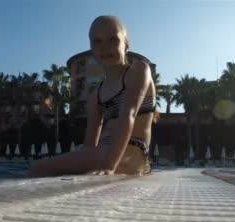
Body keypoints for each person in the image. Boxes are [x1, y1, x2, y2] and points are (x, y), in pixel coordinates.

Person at [31, 15, 156, 177]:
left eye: (113, 39)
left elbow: (128, 114)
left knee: (39, 168)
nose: (104, 47)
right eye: (97, 42)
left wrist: (109, 165)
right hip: (102, 155)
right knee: (43, 169)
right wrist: (79, 160)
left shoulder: (138, 70)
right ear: (91, 48)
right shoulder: (96, 94)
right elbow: (90, 143)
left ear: (126, 44)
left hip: (130, 154)